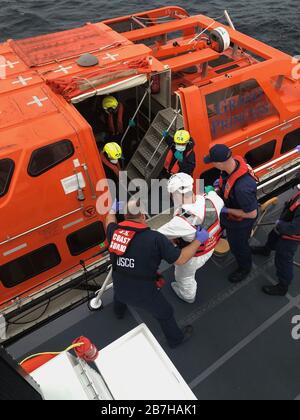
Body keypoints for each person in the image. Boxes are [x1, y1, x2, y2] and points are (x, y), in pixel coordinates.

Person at [105, 199, 210, 348]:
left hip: (120, 284)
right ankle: (175, 339)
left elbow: (109, 220)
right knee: (165, 312)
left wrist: (111, 210)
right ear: (143, 216)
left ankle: (119, 312)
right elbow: (180, 259)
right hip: (143, 291)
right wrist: (198, 240)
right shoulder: (155, 239)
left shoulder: (114, 232)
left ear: (125, 216)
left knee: (120, 293)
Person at [158, 173, 224, 303]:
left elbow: (155, 235)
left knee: (184, 277)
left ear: (175, 194)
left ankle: (188, 296)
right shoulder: (213, 199)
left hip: (193, 258)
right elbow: (214, 196)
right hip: (211, 246)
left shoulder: (183, 221)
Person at [204, 144, 258, 283]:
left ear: (220, 163)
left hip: (240, 223)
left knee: (238, 247)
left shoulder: (242, 188)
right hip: (230, 212)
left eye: (213, 162)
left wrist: (225, 210)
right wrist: (217, 187)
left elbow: (252, 214)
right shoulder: (234, 164)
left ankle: (245, 268)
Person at [252, 170, 300, 296]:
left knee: (283, 259)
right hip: (285, 222)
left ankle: (282, 287)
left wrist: (281, 224)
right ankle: (266, 250)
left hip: (291, 236)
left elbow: (295, 228)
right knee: (272, 237)